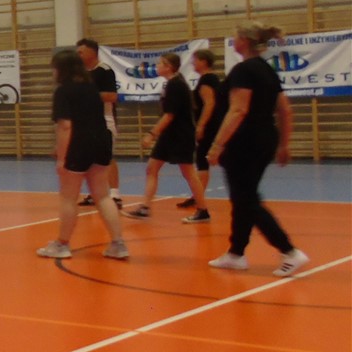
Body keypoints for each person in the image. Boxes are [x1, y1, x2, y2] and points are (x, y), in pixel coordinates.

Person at [206, 23, 310, 276]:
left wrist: (217, 145)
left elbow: (238, 109)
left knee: (247, 200)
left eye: (235, 36)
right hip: (264, 139)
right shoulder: (266, 69)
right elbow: (285, 110)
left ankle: (289, 251)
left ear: (243, 40)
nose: (233, 39)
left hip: (244, 142)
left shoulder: (243, 70)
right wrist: (284, 144)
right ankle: (236, 253)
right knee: (243, 197)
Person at [37, 49, 128, 261]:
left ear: (61, 69)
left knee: (68, 197)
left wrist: (62, 157)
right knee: (102, 195)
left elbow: (65, 126)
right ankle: (118, 244)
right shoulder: (91, 88)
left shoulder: (63, 91)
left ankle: (62, 244)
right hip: (101, 141)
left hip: (79, 145)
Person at [124, 53, 208, 222]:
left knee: (188, 172)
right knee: (151, 168)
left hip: (181, 135)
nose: (156, 67)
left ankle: (203, 210)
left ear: (168, 67)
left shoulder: (176, 85)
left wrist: (151, 134)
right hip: (169, 135)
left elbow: (169, 115)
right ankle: (145, 208)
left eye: (160, 64)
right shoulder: (171, 83)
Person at [75, 39, 123, 207]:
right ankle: (94, 192)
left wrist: (88, 94)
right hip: (86, 121)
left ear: (92, 52)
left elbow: (112, 96)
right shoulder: (80, 73)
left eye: (81, 52)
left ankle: (115, 194)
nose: (78, 55)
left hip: (104, 120)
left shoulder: (104, 71)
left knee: (107, 157)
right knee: (89, 158)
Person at [183, 47, 226, 209]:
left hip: (210, 125)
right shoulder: (212, 78)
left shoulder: (207, 80)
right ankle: (197, 195)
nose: (193, 63)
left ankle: (197, 196)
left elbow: (209, 104)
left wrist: (201, 125)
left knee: (203, 159)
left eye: (195, 60)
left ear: (203, 61)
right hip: (215, 124)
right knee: (205, 159)